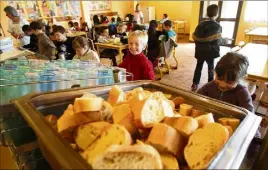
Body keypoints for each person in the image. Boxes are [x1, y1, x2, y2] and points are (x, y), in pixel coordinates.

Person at [191, 4, 228, 91]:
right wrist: (225, 41)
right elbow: (217, 41)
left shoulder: (200, 24)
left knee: (198, 66)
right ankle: (211, 84)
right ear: (217, 14)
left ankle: (195, 84)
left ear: (207, 13)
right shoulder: (217, 26)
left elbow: (196, 38)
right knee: (211, 67)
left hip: (200, 50)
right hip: (210, 51)